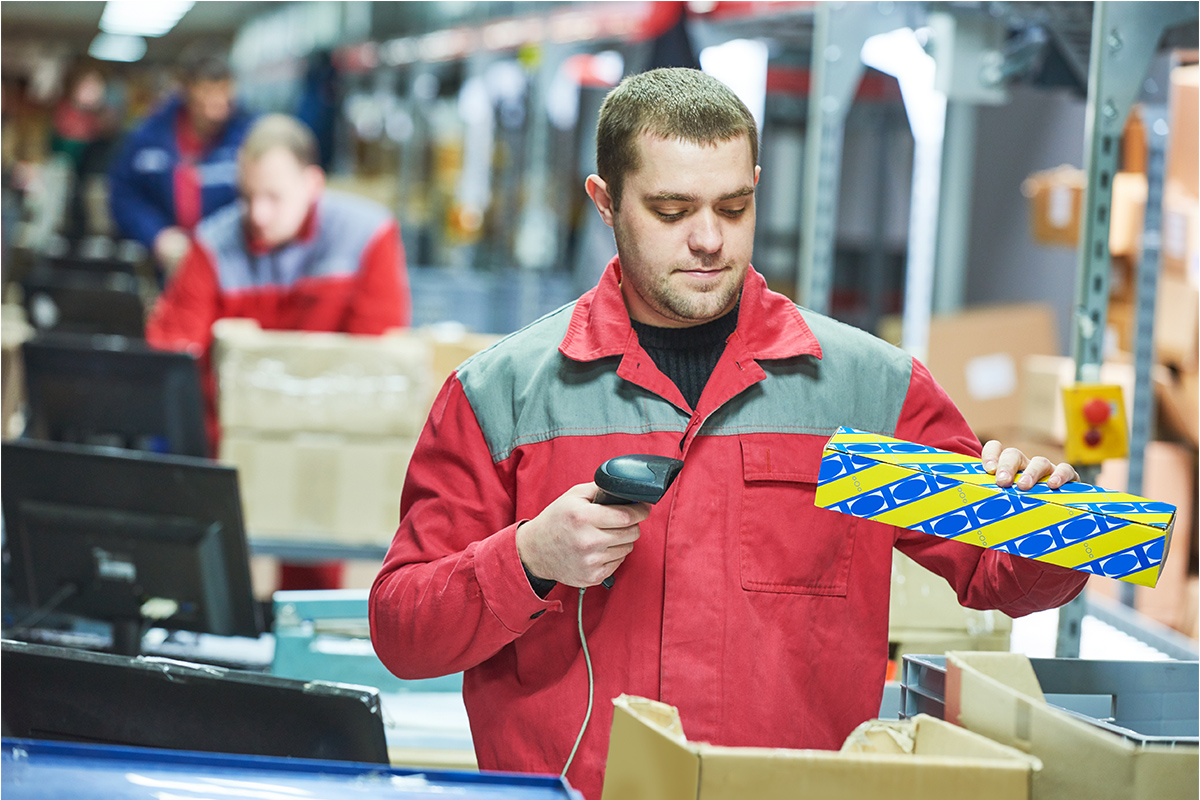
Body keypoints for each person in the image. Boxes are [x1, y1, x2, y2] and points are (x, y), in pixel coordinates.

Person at [368, 68, 1087, 800]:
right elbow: (402, 631)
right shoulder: (505, 395)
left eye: (733, 206)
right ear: (605, 201)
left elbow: (997, 576)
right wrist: (528, 556)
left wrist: (1051, 517)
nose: (709, 239)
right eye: (671, 210)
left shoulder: (868, 393)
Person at [147, 113, 412, 590]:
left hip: (329, 435)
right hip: (228, 439)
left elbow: (374, 369)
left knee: (309, 574)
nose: (257, 214)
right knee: (205, 584)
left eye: (273, 197)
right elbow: (171, 354)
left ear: (313, 183)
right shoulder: (213, 244)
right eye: (247, 197)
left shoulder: (367, 237)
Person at [107, 42, 254, 276]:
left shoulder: (249, 137)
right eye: (206, 91)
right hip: (162, 266)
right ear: (186, 90)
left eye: (224, 90)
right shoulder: (148, 136)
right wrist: (156, 235)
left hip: (231, 266)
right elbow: (124, 195)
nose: (217, 102)